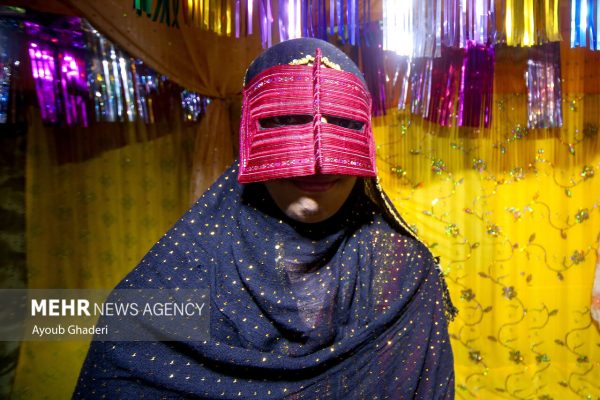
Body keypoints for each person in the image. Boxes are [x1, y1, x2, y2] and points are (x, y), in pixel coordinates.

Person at [73, 37, 457, 399]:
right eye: (286, 121)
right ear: (249, 139)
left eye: (343, 125)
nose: (318, 164)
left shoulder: (403, 272)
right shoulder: (177, 273)